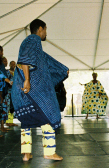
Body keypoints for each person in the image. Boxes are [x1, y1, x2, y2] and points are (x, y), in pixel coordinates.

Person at [11, 19, 69, 161]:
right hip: (30, 91)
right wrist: (27, 80)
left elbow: (43, 61)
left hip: (21, 93)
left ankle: (26, 153)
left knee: (27, 121)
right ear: (41, 29)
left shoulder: (31, 43)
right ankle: (49, 152)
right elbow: (25, 59)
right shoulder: (33, 39)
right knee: (48, 115)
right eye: (45, 30)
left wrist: (61, 70)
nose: (46, 33)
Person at [6, 61, 18, 127]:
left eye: (14, 64)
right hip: (8, 91)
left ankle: (11, 121)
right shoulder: (7, 72)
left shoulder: (16, 73)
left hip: (14, 92)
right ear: (9, 64)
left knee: (12, 107)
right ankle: (7, 121)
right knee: (8, 106)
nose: (13, 65)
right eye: (12, 64)